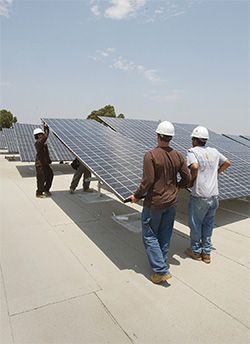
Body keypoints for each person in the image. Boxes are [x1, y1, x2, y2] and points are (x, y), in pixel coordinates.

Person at [126, 121, 190, 284]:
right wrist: (178, 188)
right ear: (171, 137)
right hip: (171, 203)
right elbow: (187, 178)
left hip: (154, 204)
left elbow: (147, 180)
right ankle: (161, 263)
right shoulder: (178, 155)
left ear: (157, 135)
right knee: (165, 234)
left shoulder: (151, 155)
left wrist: (136, 196)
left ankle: (161, 270)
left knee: (150, 236)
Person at [185, 126, 231, 263]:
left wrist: (191, 181)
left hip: (200, 195)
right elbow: (227, 163)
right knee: (208, 224)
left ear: (194, 140)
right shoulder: (214, 151)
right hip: (214, 195)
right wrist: (215, 173)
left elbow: (194, 167)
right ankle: (207, 253)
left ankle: (196, 251)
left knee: (196, 224)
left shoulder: (192, 151)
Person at [34, 120, 54, 198]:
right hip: (40, 164)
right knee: (41, 179)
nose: (42, 135)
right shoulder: (38, 143)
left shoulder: (42, 143)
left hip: (45, 164)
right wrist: (46, 127)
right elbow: (46, 137)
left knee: (50, 175)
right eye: (40, 134)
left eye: (42, 134)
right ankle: (39, 193)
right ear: (37, 136)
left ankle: (46, 189)